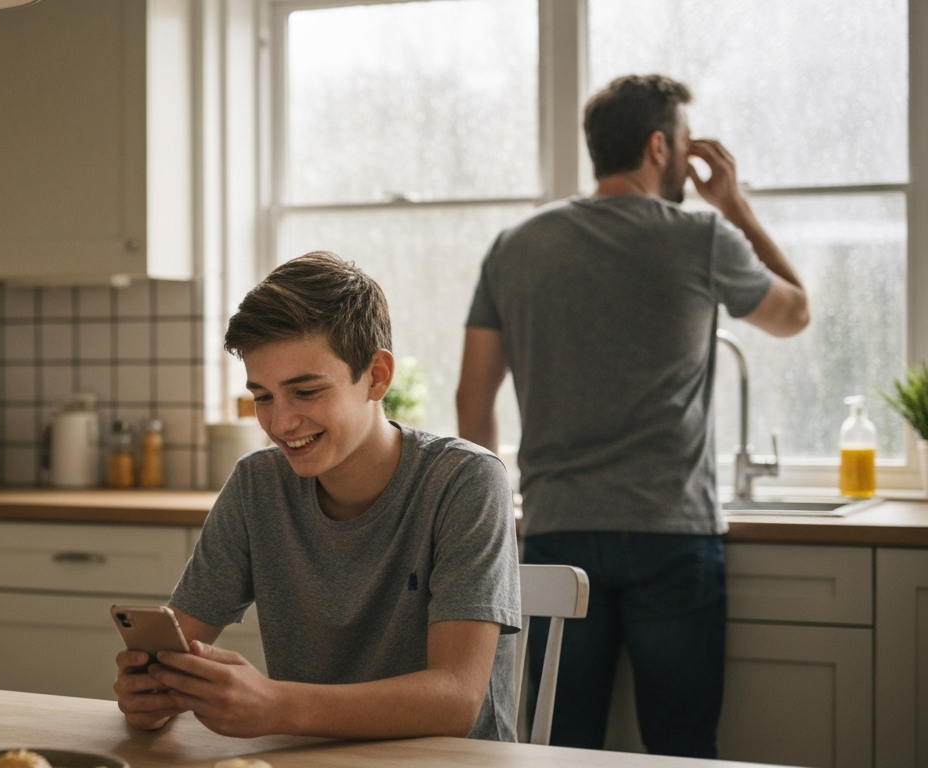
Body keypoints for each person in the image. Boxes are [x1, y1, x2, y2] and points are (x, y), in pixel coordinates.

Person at [456, 74, 810, 757]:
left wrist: (496, 523)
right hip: (669, 536)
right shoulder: (703, 235)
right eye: (683, 143)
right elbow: (795, 313)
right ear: (659, 146)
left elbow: (474, 401)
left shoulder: (515, 245)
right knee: (679, 749)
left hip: (556, 530)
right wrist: (735, 204)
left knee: (560, 747)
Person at [113, 252, 521, 741]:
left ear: (376, 376)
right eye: (263, 396)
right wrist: (152, 692)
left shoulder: (466, 481)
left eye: (305, 391)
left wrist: (275, 705)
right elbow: (178, 645)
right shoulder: (256, 486)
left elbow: (454, 701)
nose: (281, 423)